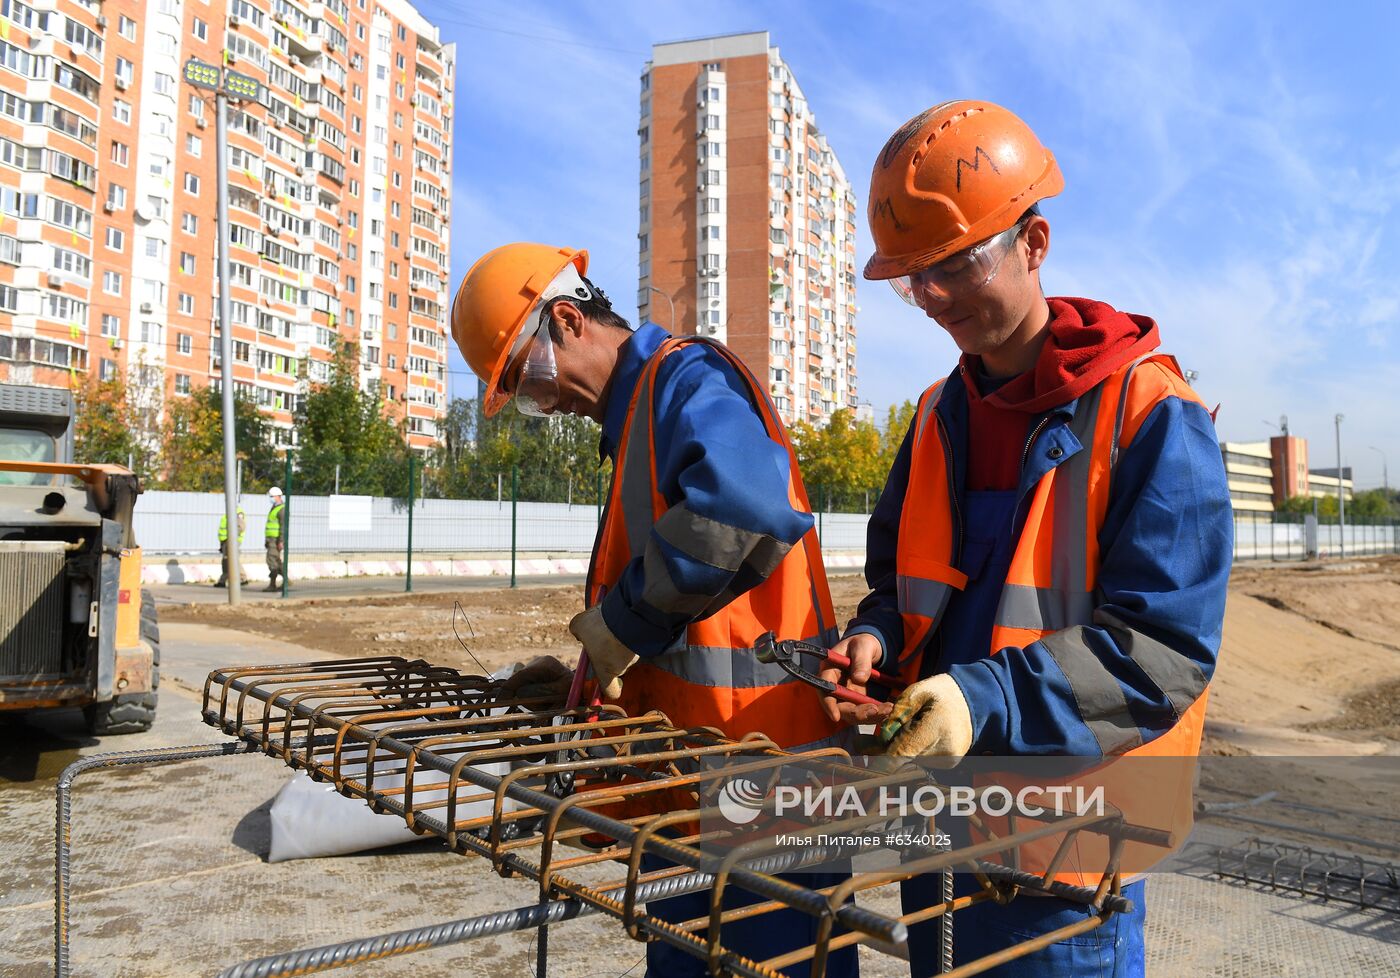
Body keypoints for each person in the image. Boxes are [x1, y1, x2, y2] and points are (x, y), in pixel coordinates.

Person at [820, 101, 1232, 976]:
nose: (930, 298)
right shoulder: (937, 415)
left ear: (1033, 243)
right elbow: (902, 580)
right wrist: (877, 636)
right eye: (911, 277)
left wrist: (980, 701)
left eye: (953, 267)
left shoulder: (1151, 415)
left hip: (1066, 863)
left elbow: (1162, 650)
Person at [451, 243, 856, 978]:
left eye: (529, 378)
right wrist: (586, 675)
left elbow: (745, 506)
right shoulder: (638, 417)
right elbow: (681, 611)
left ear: (569, 321)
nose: (544, 403)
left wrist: (622, 627)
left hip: (766, 787)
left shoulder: (684, 380)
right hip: (691, 790)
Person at [215, 505, 248, 587]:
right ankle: (223, 579)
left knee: (232, 559)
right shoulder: (229, 511)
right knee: (226, 561)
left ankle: (242, 578)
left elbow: (241, 527)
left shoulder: (238, 512)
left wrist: (232, 537)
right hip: (225, 540)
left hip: (232, 540)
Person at [264, 486, 286, 592]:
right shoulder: (274, 508)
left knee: (271, 560)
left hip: (276, 539)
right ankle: (286, 580)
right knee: (276, 560)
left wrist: (281, 541)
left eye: (272, 496)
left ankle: (273, 584)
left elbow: (283, 527)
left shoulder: (281, 509)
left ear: (278, 496)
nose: (270, 498)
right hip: (271, 539)